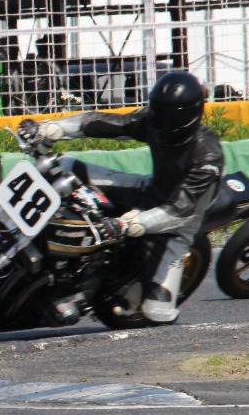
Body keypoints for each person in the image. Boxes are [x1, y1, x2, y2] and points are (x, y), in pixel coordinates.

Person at [20, 70, 221, 324]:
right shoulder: (153, 121)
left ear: (189, 114)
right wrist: (51, 129)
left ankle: (103, 290)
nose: (161, 121)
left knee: (157, 311)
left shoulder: (207, 155)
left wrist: (128, 224)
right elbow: (100, 122)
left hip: (177, 226)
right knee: (64, 166)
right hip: (150, 191)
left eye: (170, 115)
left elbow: (180, 210)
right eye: (158, 112)